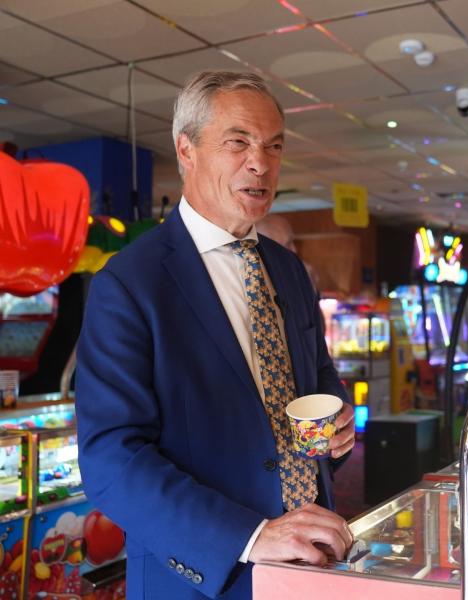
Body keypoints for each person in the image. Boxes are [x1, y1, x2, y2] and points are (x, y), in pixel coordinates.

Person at [76, 71, 355, 600]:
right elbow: (111, 456)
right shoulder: (129, 283)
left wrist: (337, 420)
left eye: (274, 146)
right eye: (238, 142)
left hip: (311, 558)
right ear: (187, 149)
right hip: (202, 577)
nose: (261, 163)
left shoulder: (289, 271)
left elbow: (316, 378)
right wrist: (250, 536)